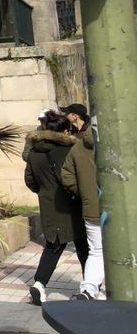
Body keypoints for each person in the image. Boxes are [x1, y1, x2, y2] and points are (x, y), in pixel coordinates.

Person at [23, 109, 86, 305]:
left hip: (49, 205)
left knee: (53, 245)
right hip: (73, 206)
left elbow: (29, 180)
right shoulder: (70, 151)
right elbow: (76, 179)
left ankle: (39, 285)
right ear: (64, 131)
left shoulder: (34, 153)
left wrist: (44, 192)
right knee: (83, 245)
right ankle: (90, 287)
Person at [60, 102, 105, 300]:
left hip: (92, 208)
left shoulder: (78, 147)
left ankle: (88, 289)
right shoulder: (122, 145)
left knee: (96, 251)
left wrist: (86, 193)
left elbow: (66, 176)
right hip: (124, 211)